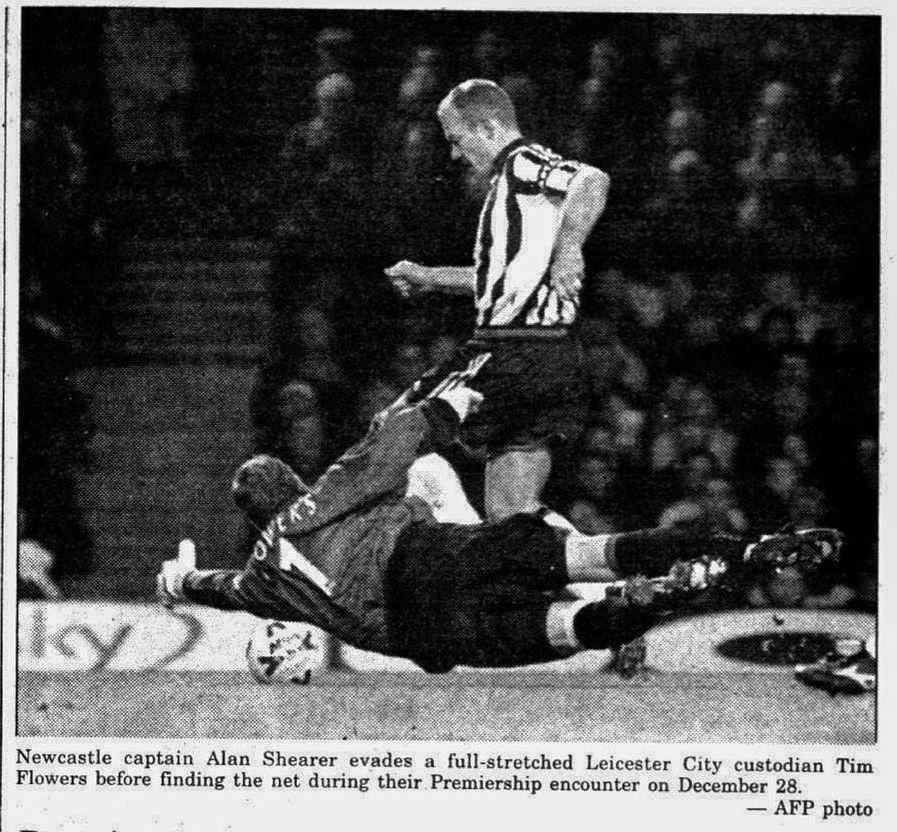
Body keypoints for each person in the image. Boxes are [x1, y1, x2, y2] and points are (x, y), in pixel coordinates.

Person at [157, 375, 843, 674]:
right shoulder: (323, 497)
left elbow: (223, 589)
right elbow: (388, 446)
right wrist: (452, 402)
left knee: (557, 631)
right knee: (585, 554)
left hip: (425, 634)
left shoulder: (261, 578)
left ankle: (645, 604)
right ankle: (742, 548)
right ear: (292, 483)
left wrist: (182, 581)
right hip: (431, 556)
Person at [384, 79, 611, 521]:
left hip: (513, 350)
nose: (454, 155)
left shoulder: (522, 162)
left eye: (456, 140)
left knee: (390, 433)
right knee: (511, 516)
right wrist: (429, 276)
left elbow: (591, 179)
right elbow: (502, 280)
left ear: (488, 127)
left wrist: (570, 246)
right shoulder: (512, 190)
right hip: (550, 355)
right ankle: (615, 563)